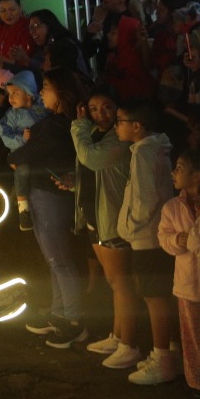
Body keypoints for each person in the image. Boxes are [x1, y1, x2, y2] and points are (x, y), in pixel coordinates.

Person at [10, 69, 91, 347]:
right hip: (42, 191)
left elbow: (32, 151)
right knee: (54, 260)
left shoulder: (59, 125)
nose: (42, 92)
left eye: (46, 87)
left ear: (63, 93)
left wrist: (16, 155)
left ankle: (74, 320)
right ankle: (60, 312)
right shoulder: (56, 121)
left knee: (59, 259)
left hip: (50, 194)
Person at [70, 91, 137, 368]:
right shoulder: (96, 135)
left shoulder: (116, 139)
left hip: (112, 218)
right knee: (114, 283)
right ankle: (117, 335)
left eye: (107, 107)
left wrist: (78, 125)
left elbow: (92, 160)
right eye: (94, 108)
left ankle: (129, 344)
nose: (100, 114)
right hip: (95, 215)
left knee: (121, 283)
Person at [114, 99, 179, 385]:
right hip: (156, 234)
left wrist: (131, 225)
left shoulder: (143, 154)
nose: (116, 126)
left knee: (155, 297)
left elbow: (145, 198)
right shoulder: (156, 149)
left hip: (147, 237)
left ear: (136, 126)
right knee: (160, 295)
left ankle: (162, 357)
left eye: (120, 121)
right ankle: (170, 351)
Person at [158, 149, 200, 399]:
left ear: (197, 176)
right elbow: (163, 237)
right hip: (186, 285)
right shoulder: (172, 207)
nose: (173, 172)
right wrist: (177, 239)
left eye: (179, 167)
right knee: (193, 338)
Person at [0, 72, 50, 230]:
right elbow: (4, 134)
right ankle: (23, 209)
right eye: (9, 94)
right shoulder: (12, 115)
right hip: (21, 155)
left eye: (15, 93)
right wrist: (22, 138)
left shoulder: (42, 108)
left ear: (28, 94)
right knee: (22, 172)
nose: (10, 98)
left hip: (42, 154)